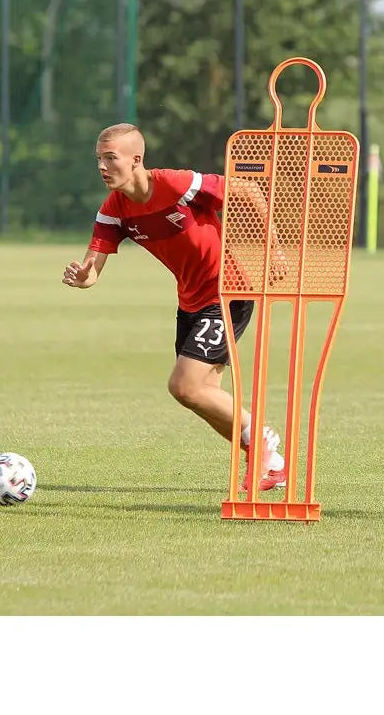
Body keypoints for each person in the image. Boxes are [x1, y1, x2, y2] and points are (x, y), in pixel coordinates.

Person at [62, 122, 287, 492]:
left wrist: (273, 250)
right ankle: (272, 465)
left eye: (110, 158)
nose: (102, 167)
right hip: (190, 303)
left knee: (184, 386)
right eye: (98, 159)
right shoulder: (114, 210)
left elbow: (246, 190)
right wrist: (81, 276)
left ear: (136, 160)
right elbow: (91, 272)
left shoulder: (177, 184)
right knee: (201, 397)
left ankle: (261, 439)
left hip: (227, 294)